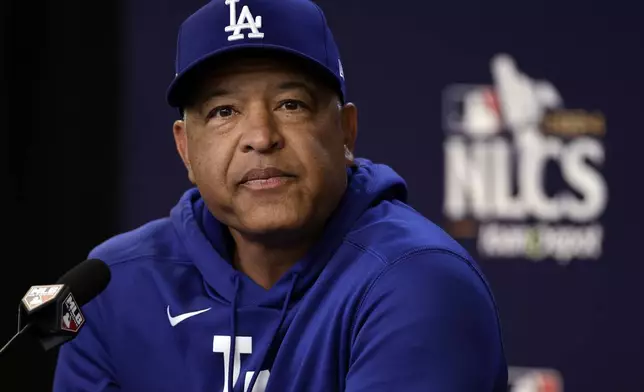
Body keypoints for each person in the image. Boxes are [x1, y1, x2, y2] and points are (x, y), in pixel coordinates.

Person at [54, 0, 508, 391]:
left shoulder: (417, 281)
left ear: (346, 132)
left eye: (291, 104)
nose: (260, 136)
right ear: (185, 149)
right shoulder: (114, 285)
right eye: (223, 111)